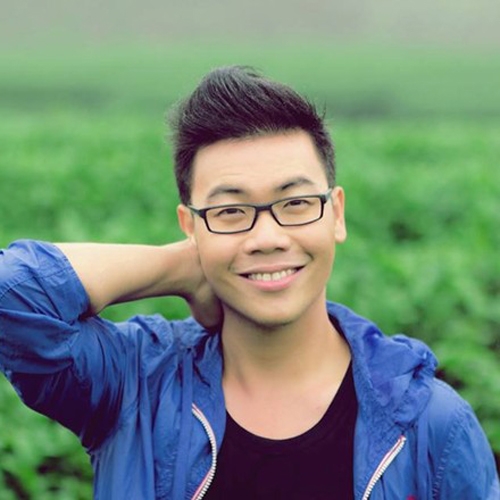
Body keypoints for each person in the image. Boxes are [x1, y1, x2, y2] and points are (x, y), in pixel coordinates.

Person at [0, 66, 498, 500]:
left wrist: (218, 250)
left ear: (337, 213)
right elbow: (12, 291)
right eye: (230, 211)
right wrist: (181, 267)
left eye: (296, 203)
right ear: (190, 225)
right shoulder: (136, 386)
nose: (267, 238)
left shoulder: (429, 424)